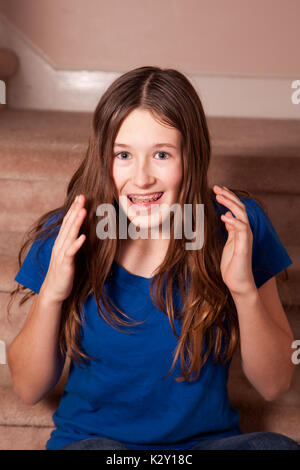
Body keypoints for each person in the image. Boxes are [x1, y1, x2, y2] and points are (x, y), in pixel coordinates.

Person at [8, 66, 300, 451]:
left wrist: (243, 290)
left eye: (161, 154)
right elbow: (28, 389)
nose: (142, 178)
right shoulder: (72, 233)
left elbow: (274, 383)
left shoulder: (235, 225)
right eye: (124, 155)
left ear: (190, 158)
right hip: (99, 446)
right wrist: (51, 295)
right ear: (104, 160)